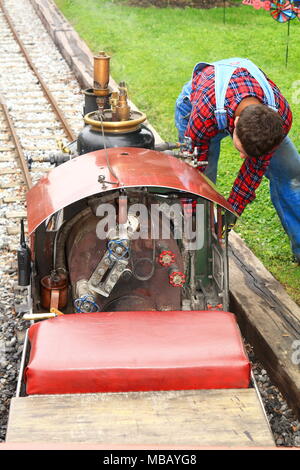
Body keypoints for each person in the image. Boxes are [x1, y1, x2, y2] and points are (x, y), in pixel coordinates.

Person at [175, 57, 300, 263]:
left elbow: (250, 176)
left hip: (235, 102)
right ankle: (196, 250)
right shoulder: (203, 116)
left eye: (248, 155)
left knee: (293, 174)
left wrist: (227, 219)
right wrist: (194, 216)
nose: (242, 158)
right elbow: (192, 176)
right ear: (236, 123)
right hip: (197, 104)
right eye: (241, 150)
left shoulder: (281, 117)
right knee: (201, 186)